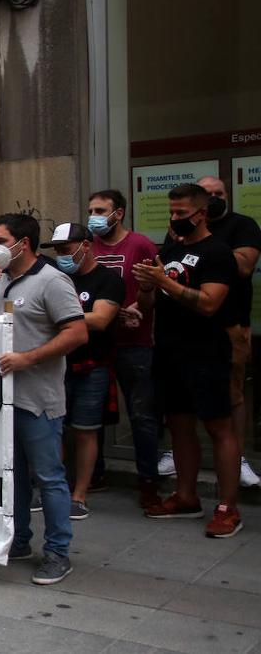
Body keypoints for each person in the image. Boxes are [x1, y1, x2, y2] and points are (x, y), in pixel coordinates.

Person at [0, 213, 87, 584]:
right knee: (13, 475)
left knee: (49, 478)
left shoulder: (52, 281)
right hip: (3, 400)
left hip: (38, 399)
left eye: (1, 241)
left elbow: (77, 332)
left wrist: (28, 359)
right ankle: (18, 540)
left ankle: (57, 552)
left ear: (23, 244)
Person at [134, 184, 242, 536]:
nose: (175, 218)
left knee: (218, 427)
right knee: (179, 425)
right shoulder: (171, 250)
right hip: (169, 350)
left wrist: (164, 282)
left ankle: (228, 508)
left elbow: (209, 303)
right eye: (172, 212)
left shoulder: (218, 252)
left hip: (207, 352)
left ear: (202, 213)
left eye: (181, 213)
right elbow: (150, 304)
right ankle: (186, 497)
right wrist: (147, 288)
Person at [43, 223, 124, 520]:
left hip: (92, 366)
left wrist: (54, 315)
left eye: (66, 249)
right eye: (58, 251)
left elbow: (101, 319)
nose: (62, 256)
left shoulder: (107, 279)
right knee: (54, 429)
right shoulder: (55, 278)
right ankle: (54, 489)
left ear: (86, 246)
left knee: (85, 431)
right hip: (56, 363)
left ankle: (79, 495)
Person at [88, 189, 162, 506]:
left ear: (118, 213)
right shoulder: (88, 247)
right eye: (91, 210)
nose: (93, 217)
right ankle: (94, 475)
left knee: (142, 415)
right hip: (97, 344)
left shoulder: (140, 244)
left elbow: (155, 287)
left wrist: (138, 306)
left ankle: (148, 482)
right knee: (91, 413)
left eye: (100, 211)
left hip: (135, 344)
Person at [197, 176, 261, 488]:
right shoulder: (183, 228)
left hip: (231, 324)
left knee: (233, 394)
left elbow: (245, 266)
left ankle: (239, 458)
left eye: (218, 193)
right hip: (191, 325)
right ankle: (181, 453)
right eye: (207, 194)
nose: (213, 198)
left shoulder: (242, 225)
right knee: (187, 395)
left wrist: (202, 241)